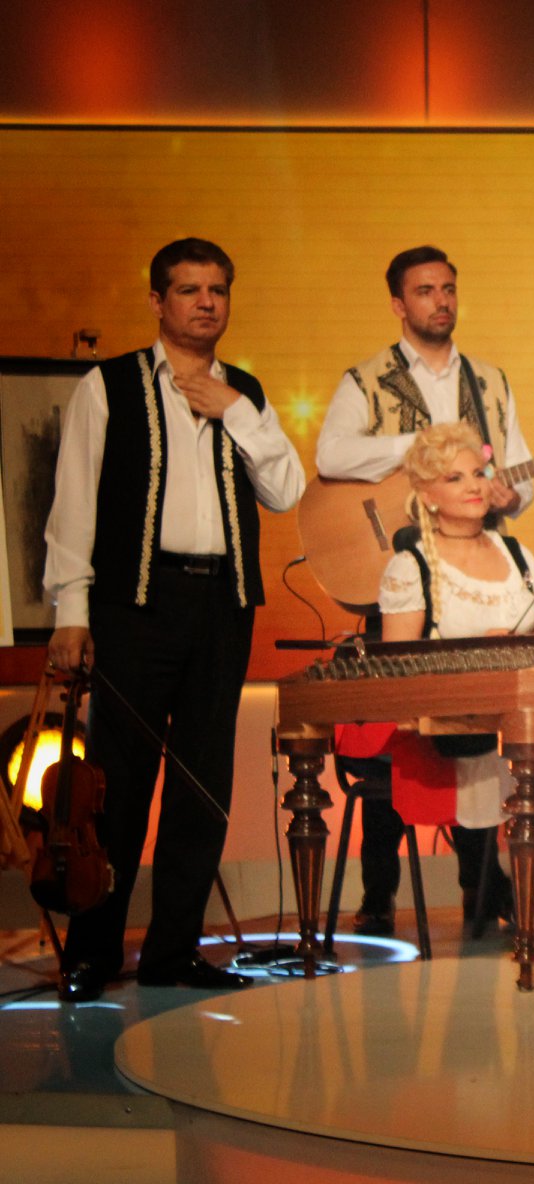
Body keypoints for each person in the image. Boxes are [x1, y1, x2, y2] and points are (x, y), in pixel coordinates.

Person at [45, 237, 306, 1001]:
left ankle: (173, 952)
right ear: (158, 301)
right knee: (119, 783)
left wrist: (238, 413)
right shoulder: (109, 385)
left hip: (221, 604)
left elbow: (286, 491)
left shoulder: (244, 391)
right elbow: (73, 503)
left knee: (203, 783)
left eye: (217, 290)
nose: (205, 303)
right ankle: (93, 953)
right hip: (135, 602)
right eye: (189, 290)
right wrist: (70, 610)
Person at [315, 245, 534, 933]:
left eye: (448, 288)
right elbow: (331, 454)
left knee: (479, 722)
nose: (441, 301)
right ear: (398, 303)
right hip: (404, 561)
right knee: (398, 719)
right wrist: (418, 451)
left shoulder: (490, 381)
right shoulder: (366, 379)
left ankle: (483, 887)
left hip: (473, 565)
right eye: (424, 290)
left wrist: (508, 491)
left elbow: (520, 475)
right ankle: (379, 892)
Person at [376, 422, 534, 914]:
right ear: (427, 496)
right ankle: (518, 894)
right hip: (460, 729)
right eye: (455, 478)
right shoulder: (411, 567)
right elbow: (398, 672)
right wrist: (479, 651)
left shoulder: (516, 553)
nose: (475, 486)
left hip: (528, 719)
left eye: (478, 473)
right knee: (526, 751)